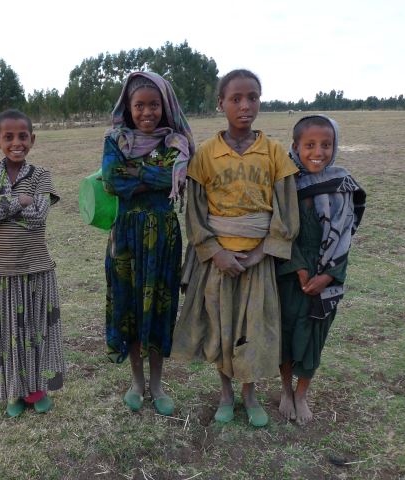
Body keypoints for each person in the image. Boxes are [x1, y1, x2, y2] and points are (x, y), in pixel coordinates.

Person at [171, 69, 299, 427]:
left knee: (253, 328)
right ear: (221, 104)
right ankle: (226, 394)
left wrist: (261, 253)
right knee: (221, 327)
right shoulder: (206, 155)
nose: (245, 106)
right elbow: (195, 212)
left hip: (258, 260)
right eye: (236, 99)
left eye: (252, 98)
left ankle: (250, 394)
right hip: (218, 261)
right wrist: (216, 252)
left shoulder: (273, 152)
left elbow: (286, 209)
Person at [102, 71, 194, 415]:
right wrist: (156, 176)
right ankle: (137, 383)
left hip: (164, 239)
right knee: (129, 308)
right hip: (125, 237)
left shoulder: (176, 142)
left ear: (165, 106)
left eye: (154, 105)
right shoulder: (115, 139)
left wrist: (134, 174)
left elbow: (169, 176)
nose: (146, 112)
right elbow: (111, 180)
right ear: (128, 106)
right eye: (139, 105)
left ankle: (157, 384)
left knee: (158, 309)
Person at [0, 109, 65, 417]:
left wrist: (2, 207)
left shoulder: (41, 175)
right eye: (8, 137)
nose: (16, 142)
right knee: (8, 333)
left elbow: (38, 217)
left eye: (23, 136)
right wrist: (18, 201)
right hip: (1, 272)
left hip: (38, 269)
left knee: (37, 332)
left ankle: (36, 391)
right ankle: (13, 393)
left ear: (32, 139)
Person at [278, 114, 366, 425]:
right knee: (286, 336)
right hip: (290, 276)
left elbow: (345, 235)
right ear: (295, 147)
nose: (319, 152)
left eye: (326, 145)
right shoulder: (285, 183)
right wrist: (301, 270)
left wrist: (328, 275)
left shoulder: (342, 184)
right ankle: (286, 390)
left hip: (329, 276)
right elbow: (279, 230)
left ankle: (301, 394)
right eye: (310, 145)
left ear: (335, 146)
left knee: (314, 336)